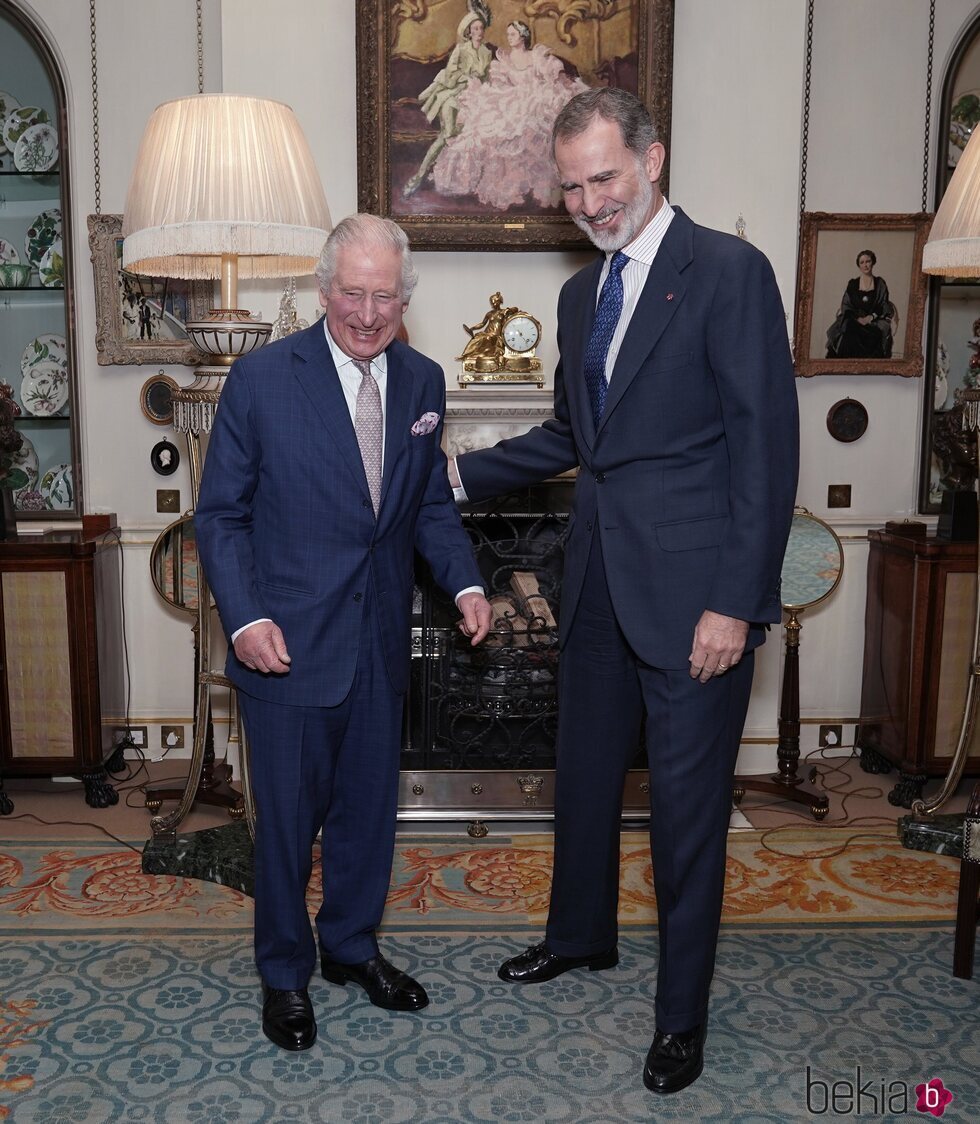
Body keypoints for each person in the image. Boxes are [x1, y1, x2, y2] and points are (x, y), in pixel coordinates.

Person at [450, 87, 799, 1095]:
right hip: (595, 577)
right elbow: (575, 438)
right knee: (585, 777)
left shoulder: (728, 272)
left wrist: (734, 602)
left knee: (686, 817)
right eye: (570, 187)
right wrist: (459, 473)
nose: (590, 201)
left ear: (651, 158)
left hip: (695, 596)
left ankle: (679, 1016)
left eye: (603, 176)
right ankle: (579, 937)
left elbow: (762, 454)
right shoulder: (579, 294)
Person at [195, 213, 492, 1052]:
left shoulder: (425, 381)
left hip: (379, 644)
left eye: (385, 296)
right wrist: (246, 616)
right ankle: (285, 974)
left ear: (406, 299)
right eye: (353, 293)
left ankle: (351, 948)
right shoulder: (260, 380)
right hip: (284, 645)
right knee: (288, 823)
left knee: (368, 816)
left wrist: (466, 580)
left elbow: (426, 503)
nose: (367, 312)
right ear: (324, 290)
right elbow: (221, 516)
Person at [432, 20, 587, 210]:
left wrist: (550, 84)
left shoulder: (535, 56)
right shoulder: (504, 60)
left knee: (534, 118)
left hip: (535, 98)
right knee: (490, 125)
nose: (509, 38)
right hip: (512, 100)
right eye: (508, 35)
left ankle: (532, 181)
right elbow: (500, 86)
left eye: (512, 35)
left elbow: (553, 74)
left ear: (522, 36)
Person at [402, 10, 492, 198]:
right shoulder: (461, 49)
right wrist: (466, 78)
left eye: (481, 28)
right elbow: (450, 72)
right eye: (475, 28)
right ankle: (419, 176)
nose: (479, 31)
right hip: (453, 97)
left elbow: (487, 78)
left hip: (475, 98)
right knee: (446, 136)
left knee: (478, 134)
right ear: (469, 31)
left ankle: (464, 179)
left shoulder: (486, 52)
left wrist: (481, 84)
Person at [825, 249, 899, 359]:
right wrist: (857, 318)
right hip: (854, 320)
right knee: (848, 329)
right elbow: (846, 305)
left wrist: (870, 317)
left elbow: (884, 304)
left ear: (872, 262)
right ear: (859, 265)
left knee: (874, 334)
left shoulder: (880, 283)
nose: (865, 265)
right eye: (862, 262)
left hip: (874, 321)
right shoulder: (853, 284)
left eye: (868, 261)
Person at [457, 290, 517, 365]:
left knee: (486, 338)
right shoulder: (489, 313)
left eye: (494, 302)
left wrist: (508, 310)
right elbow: (482, 324)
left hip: (497, 334)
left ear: (499, 302)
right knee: (477, 337)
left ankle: (477, 354)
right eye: (492, 303)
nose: (493, 304)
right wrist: (472, 328)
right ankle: (466, 355)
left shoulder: (504, 312)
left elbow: (515, 309)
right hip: (488, 332)